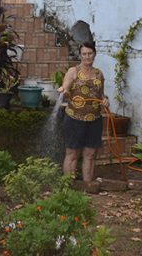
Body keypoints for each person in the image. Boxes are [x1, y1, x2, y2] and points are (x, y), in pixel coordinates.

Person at [57, 41, 109, 182]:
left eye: (90, 53)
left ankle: (87, 186)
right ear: (80, 55)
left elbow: (101, 94)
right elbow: (65, 87)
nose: (87, 57)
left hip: (94, 120)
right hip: (74, 119)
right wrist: (65, 90)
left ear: (94, 54)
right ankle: (68, 186)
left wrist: (105, 101)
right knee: (72, 153)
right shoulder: (73, 72)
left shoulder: (99, 74)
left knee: (90, 154)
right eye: (84, 54)